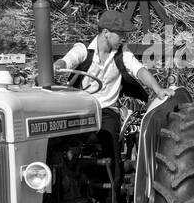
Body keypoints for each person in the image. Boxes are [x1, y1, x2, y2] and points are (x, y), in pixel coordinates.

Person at [56, 10, 174, 178]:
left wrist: (158, 89)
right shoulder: (83, 50)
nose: (123, 38)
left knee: (110, 140)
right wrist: (58, 65)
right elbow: (69, 60)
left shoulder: (122, 53)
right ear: (106, 33)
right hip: (82, 110)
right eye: (120, 34)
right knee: (63, 141)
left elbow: (139, 70)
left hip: (106, 110)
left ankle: (114, 192)